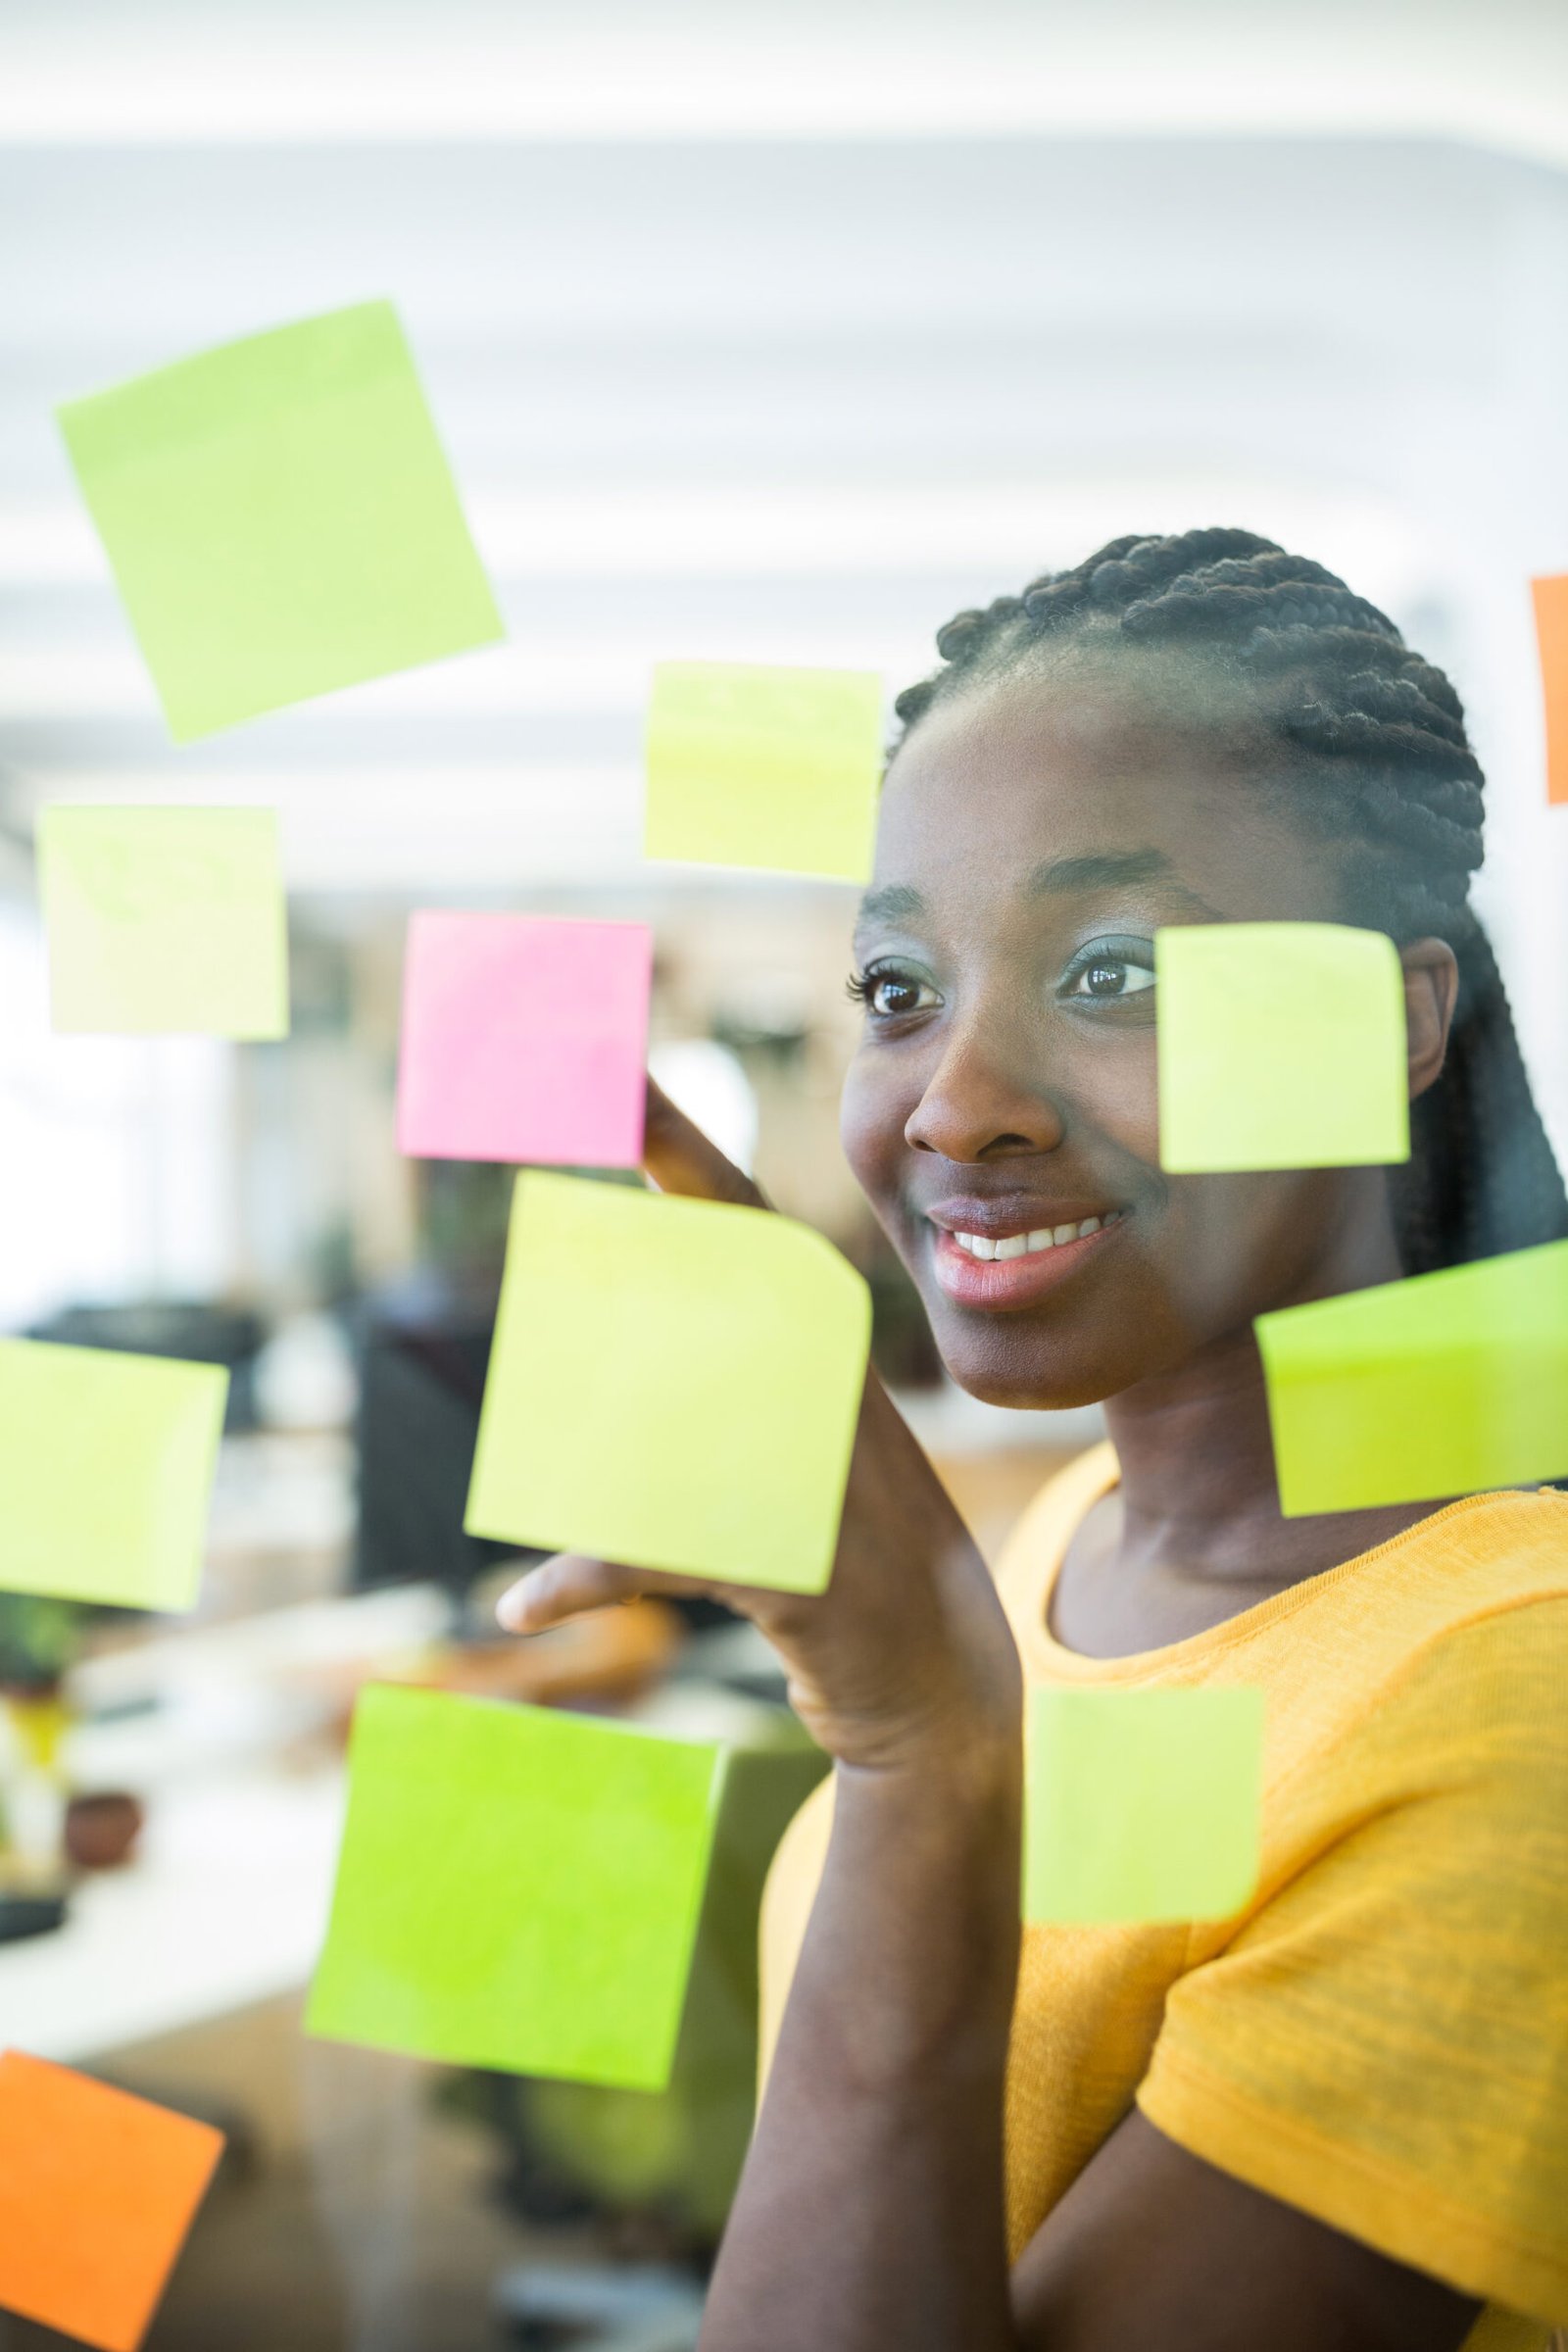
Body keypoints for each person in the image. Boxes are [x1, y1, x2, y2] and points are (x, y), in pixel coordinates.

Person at [498, 529, 1568, 2351]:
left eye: (1114, 973)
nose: (957, 1105)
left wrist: (925, 1748)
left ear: (1394, 1025)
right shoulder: (1085, 1526)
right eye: (900, 992)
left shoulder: (1516, 1714)